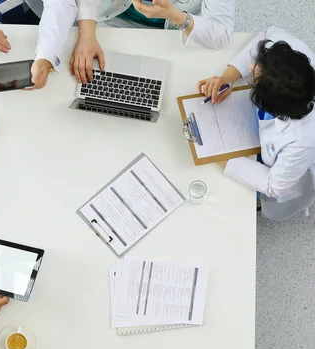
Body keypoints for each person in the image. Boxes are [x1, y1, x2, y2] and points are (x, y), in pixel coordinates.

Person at [197, 27, 315, 221]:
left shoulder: (302, 139)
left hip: (292, 167)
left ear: (272, 106)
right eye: (259, 63)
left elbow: (274, 184)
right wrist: (229, 77)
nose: (250, 67)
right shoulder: (295, 57)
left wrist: (218, 154)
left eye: (255, 76)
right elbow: (269, 33)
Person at [70, 0, 235, 83]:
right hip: (108, 18)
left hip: (172, 35)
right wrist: (87, 34)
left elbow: (222, 33)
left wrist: (175, 17)